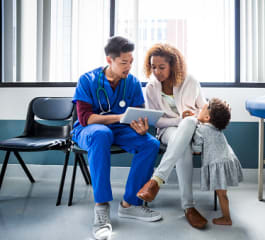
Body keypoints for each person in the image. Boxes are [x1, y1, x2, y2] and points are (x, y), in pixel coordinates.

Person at [72, 36, 161, 240]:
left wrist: (140, 127)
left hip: (120, 129)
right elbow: (86, 118)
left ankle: (130, 204)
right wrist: (119, 117)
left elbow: (136, 113)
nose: (129, 66)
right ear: (109, 60)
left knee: (150, 143)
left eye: (131, 61)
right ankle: (101, 207)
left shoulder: (132, 82)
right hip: (90, 130)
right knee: (102, 134)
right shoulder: (88, 80)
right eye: (123, 62)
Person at [136, 43, 208, 229]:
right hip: (167, 131)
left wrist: (193, 118)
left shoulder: (190, 81)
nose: (157, 72)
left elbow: (203, 107)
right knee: (183, 140)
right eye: (153, 67)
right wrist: (180, 120)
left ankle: (156, 180)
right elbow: (158, 121)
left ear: (173, 66)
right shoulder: (151, 88)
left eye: (162, 67)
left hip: (192, 128)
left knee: (190, 123)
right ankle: (189, 207)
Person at [192, 98, 243, 225]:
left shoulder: (201, 130)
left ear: (207, 117)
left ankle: (227, 218)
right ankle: (226, 216)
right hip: (226, 159)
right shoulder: (216, 127)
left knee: (222, 194)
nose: (202, 107)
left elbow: (197, 149)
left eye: (204, 108)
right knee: (222, 193)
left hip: (218, 162)